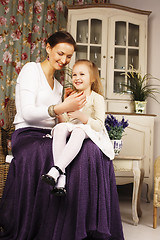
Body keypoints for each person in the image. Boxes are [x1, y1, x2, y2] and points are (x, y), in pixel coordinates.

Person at [0, 31, 124, 240]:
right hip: (28, 136)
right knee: (67, 151)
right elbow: (29, 113)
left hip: (50, 134)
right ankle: (55, 224)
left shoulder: (59, 86)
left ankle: (84, 224)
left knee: (91, 149)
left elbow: (62, 121)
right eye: (60, 53)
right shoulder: (31, 70)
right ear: (48, 48)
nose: (64, 60)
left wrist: (70, 117)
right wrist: (61, 106)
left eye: (69, 56)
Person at [42, 59, 115, 197]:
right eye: (74, 75)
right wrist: (63, 106)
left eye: (82, 74)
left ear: (92, 78)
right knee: (59, 129)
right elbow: (67, 121)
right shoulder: (73, 97)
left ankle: (56, 169)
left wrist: (81, 116)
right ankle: (60, 177)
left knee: (78, 130)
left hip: (90, 129)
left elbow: (99, 125)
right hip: (74, 125)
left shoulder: (96, 98)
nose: (77, 78)